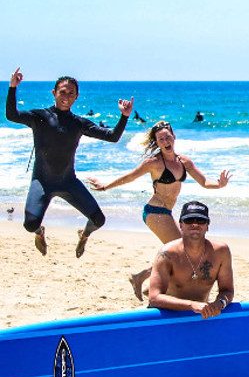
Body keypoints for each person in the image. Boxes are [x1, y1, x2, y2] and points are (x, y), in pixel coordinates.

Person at [87, 120, 232, 299]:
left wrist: (219, 184)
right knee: (183, 250)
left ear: (174, 137)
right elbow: (130, 176)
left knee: (178, 252)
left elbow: (204, 182)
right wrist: (105, 186)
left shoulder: (184, 161)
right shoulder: (154, 163)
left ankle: (142, 279)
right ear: (157, 142)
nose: (165, 141)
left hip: (166, 212)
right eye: (161, 139)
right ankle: (145, 280)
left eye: (167, 137)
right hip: (154, 211)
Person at [7, 68, 134, 257]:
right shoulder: (40, 117)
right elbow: (12, 115)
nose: (66, 96)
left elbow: (113, 137)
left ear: (77, 96)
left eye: (71, 93)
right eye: (62, 92)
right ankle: (39, 232)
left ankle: (84, 235)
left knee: (98, 220)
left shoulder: (79, 123)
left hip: (68, 182)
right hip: (42, 182)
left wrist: (124, 116)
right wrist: (12, 88)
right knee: (30, 224)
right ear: (54, 93)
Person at [147, 201, 234, 319]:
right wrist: (191, 305)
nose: (195, 224)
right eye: (189, 220)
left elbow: (227, 291)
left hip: (200, 315)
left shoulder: (221, 252)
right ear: (181, 225)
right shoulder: (167, 254)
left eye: (200, 220)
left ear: (207, 225)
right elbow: (154, 298)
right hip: (169, 315)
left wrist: (219, 304)